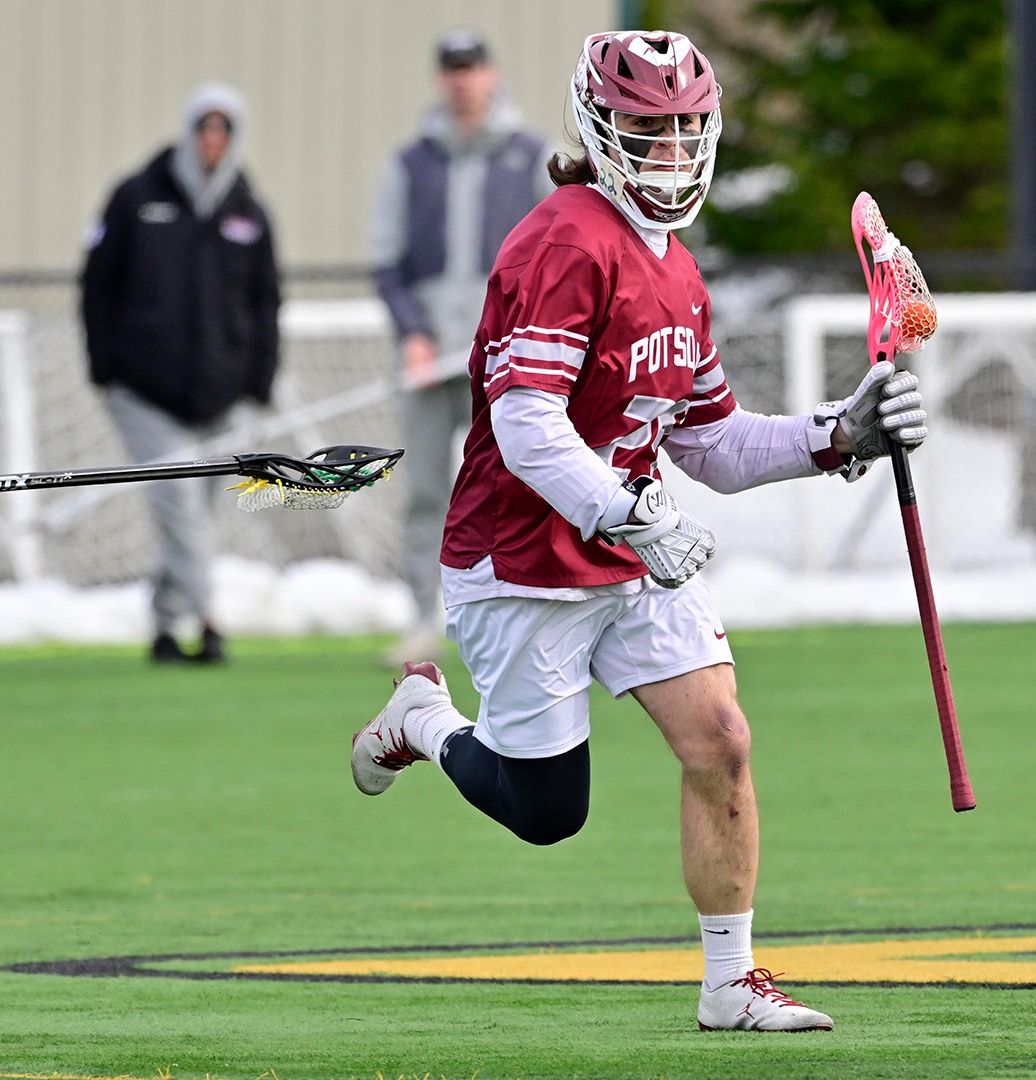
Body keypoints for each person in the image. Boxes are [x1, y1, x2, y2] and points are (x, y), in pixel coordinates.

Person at [348, 31, 927, 1032]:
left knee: (723, 739)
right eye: (648, 132)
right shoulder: (565, 241)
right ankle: (421, 718)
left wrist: (838, 435)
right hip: (522, 561)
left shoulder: (679, 269)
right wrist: (625, 511)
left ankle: (730, 982)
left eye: (687, 130)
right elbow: (526, 424)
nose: (671, 154)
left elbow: (709, 443)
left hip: (629, 553)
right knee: (546, 814)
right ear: (598, 131)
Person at [370, 29, 556, 664]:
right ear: (439, 79)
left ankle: (517, 609)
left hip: (503, 362)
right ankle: (423, 617)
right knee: (425, 490)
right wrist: (413, 335)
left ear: (491, 73)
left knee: (517, 482)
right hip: (429, 362)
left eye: (472, 67)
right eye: (451, 69)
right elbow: (387, 265)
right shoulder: (410, 163)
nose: (463, 80)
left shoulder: (532, 156)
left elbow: (553, 258)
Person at [81, 83, 281, 665]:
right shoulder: (135, 197)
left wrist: (259, 381)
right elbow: (96, 287)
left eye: (223, 131)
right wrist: (106, 369)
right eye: (204, 129)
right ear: (189, 132)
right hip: (144, 393)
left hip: (223, 395)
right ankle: (209, 619)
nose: (212, 142)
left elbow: (266, 300)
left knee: (193, 510)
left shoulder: (248, 210)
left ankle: (165, 626)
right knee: (179, 507)